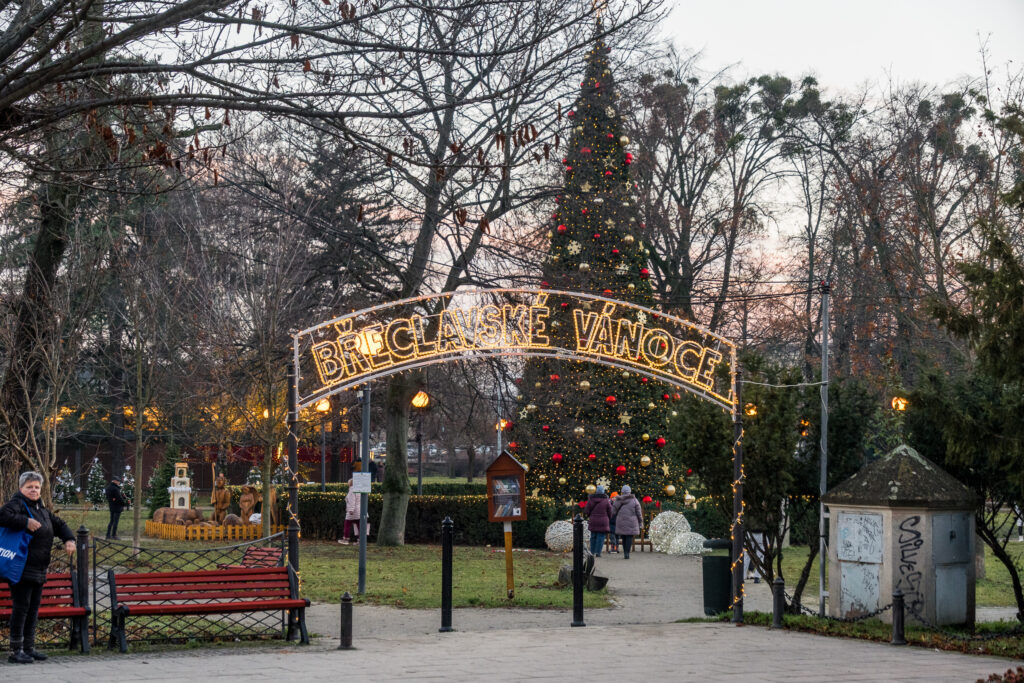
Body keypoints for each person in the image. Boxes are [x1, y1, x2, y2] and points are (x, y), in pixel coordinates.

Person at [0, 471, 76, 664]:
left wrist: (69, 539)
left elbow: (59, 524)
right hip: (21, 566)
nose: (34, 490)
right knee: (21, 608)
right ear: (21, 488)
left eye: (36, 487)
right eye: (29, 487)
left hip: (39, 568)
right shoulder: (17, 504)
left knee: (33, 609)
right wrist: (25, 521)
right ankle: (16, 650)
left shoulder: (41, 509)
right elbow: (2, 516)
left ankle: (29, 648)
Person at [610, 484, 643, 559]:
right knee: (629, 537)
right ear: (630, 491)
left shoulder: (618, 500)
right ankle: (627, 553)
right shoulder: (634, 500)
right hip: (632, 521)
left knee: (623, 537)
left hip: (621, 521)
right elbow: (639, 512)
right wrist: (640, 521)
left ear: (622, 492)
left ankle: (625, 552)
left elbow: (613, 511)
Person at [583, 485, 612, 557]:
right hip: (603, 521)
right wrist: (608, 518)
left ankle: (592, 552)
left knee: (593, 536)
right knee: (601, 537)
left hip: (593, 520)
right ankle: (598, 552)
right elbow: (610, 511)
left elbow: (586, 511)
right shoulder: (606, 500)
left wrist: (590, 516)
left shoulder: (591, 499)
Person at [339, 479, 361, 544]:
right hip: (359, 511)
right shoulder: (359, 490)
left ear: (350, 484)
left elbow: (352, 501)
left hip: (353, 511)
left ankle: (346, 539)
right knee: (359, 526)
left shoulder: (352, 490)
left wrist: (351, 510)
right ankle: (360, 540)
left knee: (347, 524)